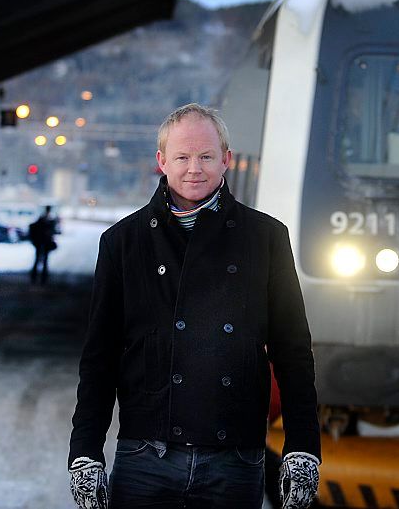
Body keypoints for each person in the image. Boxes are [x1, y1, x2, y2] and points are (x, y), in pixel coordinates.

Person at [68, 103, 321, 509]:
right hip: (145, 456)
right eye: (182, 157)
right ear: (162, 161)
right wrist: (85, 452)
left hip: (235, 458)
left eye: (205, 156)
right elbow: (100, 357)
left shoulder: (266, 238)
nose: (194, 169)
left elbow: (293, 352)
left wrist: (303, 446)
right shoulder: (123, 242)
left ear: (226, 160)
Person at [28, 205, 58, 285]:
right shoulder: (48, 220)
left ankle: (37, 277)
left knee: (39, 260)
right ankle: (41, 278)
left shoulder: (43, 220)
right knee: (43, 260)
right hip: (43, 242)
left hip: (41, 243)